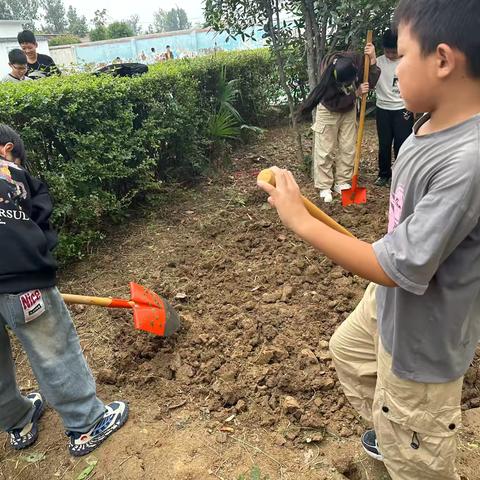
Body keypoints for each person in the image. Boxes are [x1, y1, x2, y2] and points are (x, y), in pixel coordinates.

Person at [258, 0, 480, 477]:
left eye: (400, 56)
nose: (390, 71)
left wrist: (303, 222)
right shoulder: (430, 125)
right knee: (349, 351)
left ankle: (406, 446)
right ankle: (390, 429)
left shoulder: (468, 162)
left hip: (424, 338)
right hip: (389, 304)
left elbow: (395, 267)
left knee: (415, 454)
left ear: (442, 60)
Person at [0, 124, 128, 456]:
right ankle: (86, 425)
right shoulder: (10, 172)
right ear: (6, 149)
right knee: (53, 349)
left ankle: (18, 421)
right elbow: (40, 216)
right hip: (21, 280)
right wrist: (40, 262)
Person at [298, 44, 380, 203]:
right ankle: (324, 186)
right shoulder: (327, 74)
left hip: (348, 109)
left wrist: (373, 59)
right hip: (329, 110)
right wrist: (356, 93)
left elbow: (370, 79)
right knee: (325, 149)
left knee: (348, 147)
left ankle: (342, 182)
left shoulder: (356, 61)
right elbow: (334, 102)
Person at [374, 29, 414, 187]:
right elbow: (369, 79)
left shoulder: (408, 62)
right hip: (383, 108)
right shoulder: (377, 63)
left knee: (402, 143)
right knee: (384, 144)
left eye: (393, 52)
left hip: (402, 109)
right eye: (387, 51)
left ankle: (400, 175)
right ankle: (384, 174)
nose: (390, 55)